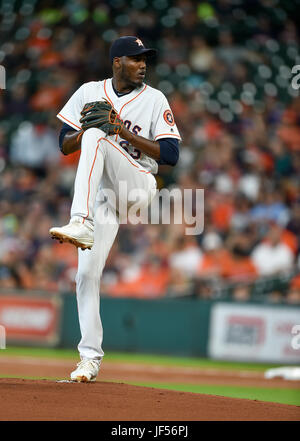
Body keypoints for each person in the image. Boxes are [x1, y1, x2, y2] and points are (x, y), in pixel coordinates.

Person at [49, 36, 181, 382]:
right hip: (104, 197)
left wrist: (119, 130)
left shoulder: (154, 99)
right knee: (85, 276)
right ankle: (89, 359)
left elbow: (170, 155)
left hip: (138, 183)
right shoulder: (89, 91)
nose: (143, 64)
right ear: (117, 62)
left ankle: (79, 220)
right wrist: (86, 132)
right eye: (136, 58)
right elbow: (64, 144)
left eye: (145, 59)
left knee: (98, 135)